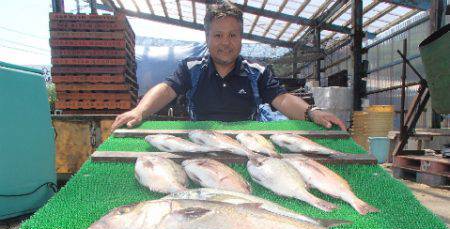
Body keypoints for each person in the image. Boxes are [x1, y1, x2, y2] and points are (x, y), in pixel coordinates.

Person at [111, 1, 346, 131]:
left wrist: (311, 112)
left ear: (241, 37)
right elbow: (166, 89)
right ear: (207, 37)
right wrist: (139, 111)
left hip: (249, 149)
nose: (226, 43)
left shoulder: (258, 72)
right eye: (218, 35)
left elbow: (281, 99)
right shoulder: (191, 68)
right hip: (201, 146)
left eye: (233, 35)